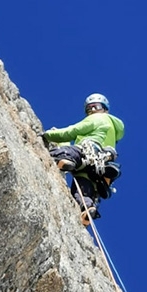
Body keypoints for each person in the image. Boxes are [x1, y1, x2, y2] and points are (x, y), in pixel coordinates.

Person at [43, 93, 124, 225]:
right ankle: (87, 208)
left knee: (66, 153)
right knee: (82, 190)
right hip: (96, 167)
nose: (92, 110)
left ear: (104, 109)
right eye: (89, 108)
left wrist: (49, 135)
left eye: (96, 106)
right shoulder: (113, 132)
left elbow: (72, 131)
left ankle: (65, 159)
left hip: (88, 152)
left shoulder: (99, 118)